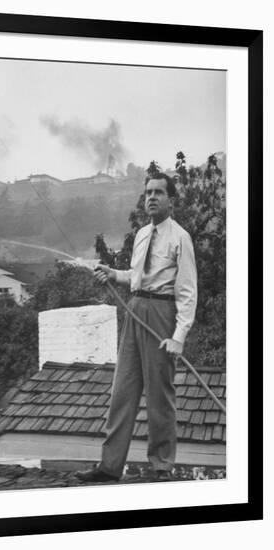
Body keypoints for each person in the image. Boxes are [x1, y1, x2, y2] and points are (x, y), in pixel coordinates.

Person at [75, 173, 197, 483]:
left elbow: (187, 292)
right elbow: (136, 275)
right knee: (122, 390)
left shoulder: (180, 237)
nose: (152, 197)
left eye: (158, 192)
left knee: (160, 395)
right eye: (148, 193)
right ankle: (109, 466)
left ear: (171, 199)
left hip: (161, 313)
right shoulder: (143, 234)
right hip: (135, 309)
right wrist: (112, 274)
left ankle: (161, 467)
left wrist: (178, 337)